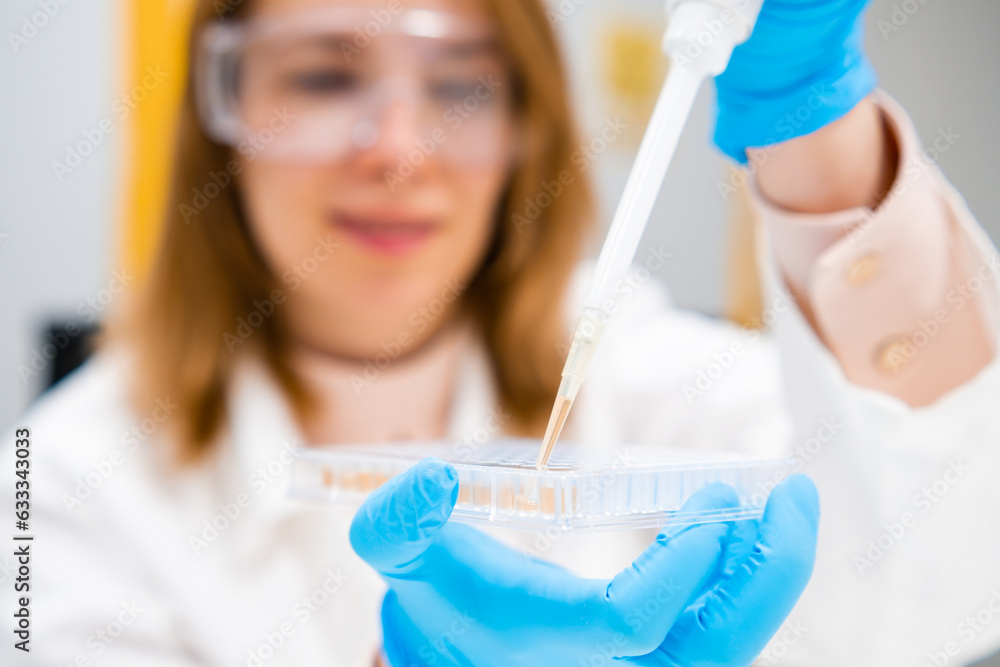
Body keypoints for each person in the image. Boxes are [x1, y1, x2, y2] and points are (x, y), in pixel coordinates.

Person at [4, 0, 999, 664]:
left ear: (527, 127)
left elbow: (953, 574)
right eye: (320, 78)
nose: (397, 150)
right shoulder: (56, 479)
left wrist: (812, 126)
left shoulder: (645, 371)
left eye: (458, 85)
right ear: (219, 119)